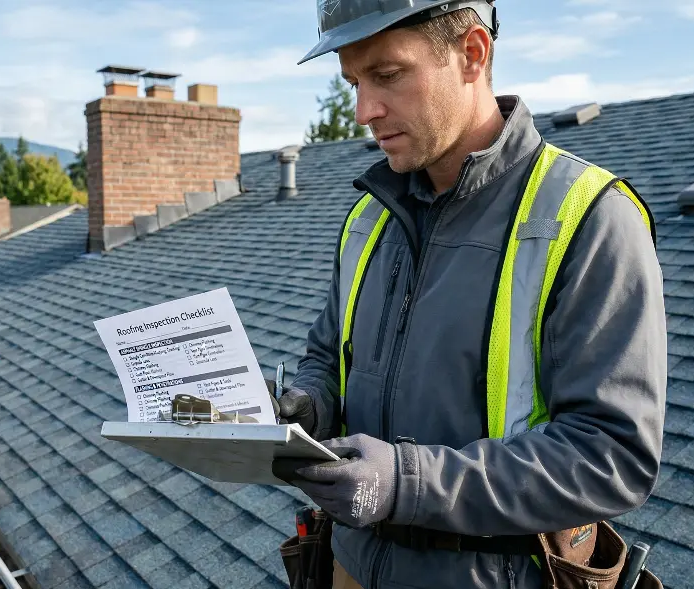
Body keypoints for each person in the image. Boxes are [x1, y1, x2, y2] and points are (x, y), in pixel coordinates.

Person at [269, 1, 668, 588]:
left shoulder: (587, 218)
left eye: (386, 76)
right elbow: (329, 360)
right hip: (348, 567)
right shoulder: (368, 220)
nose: (362, 111)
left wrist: (407, 483)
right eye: (354, 82)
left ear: (472, 54)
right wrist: (307, 407)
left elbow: (612, 458)